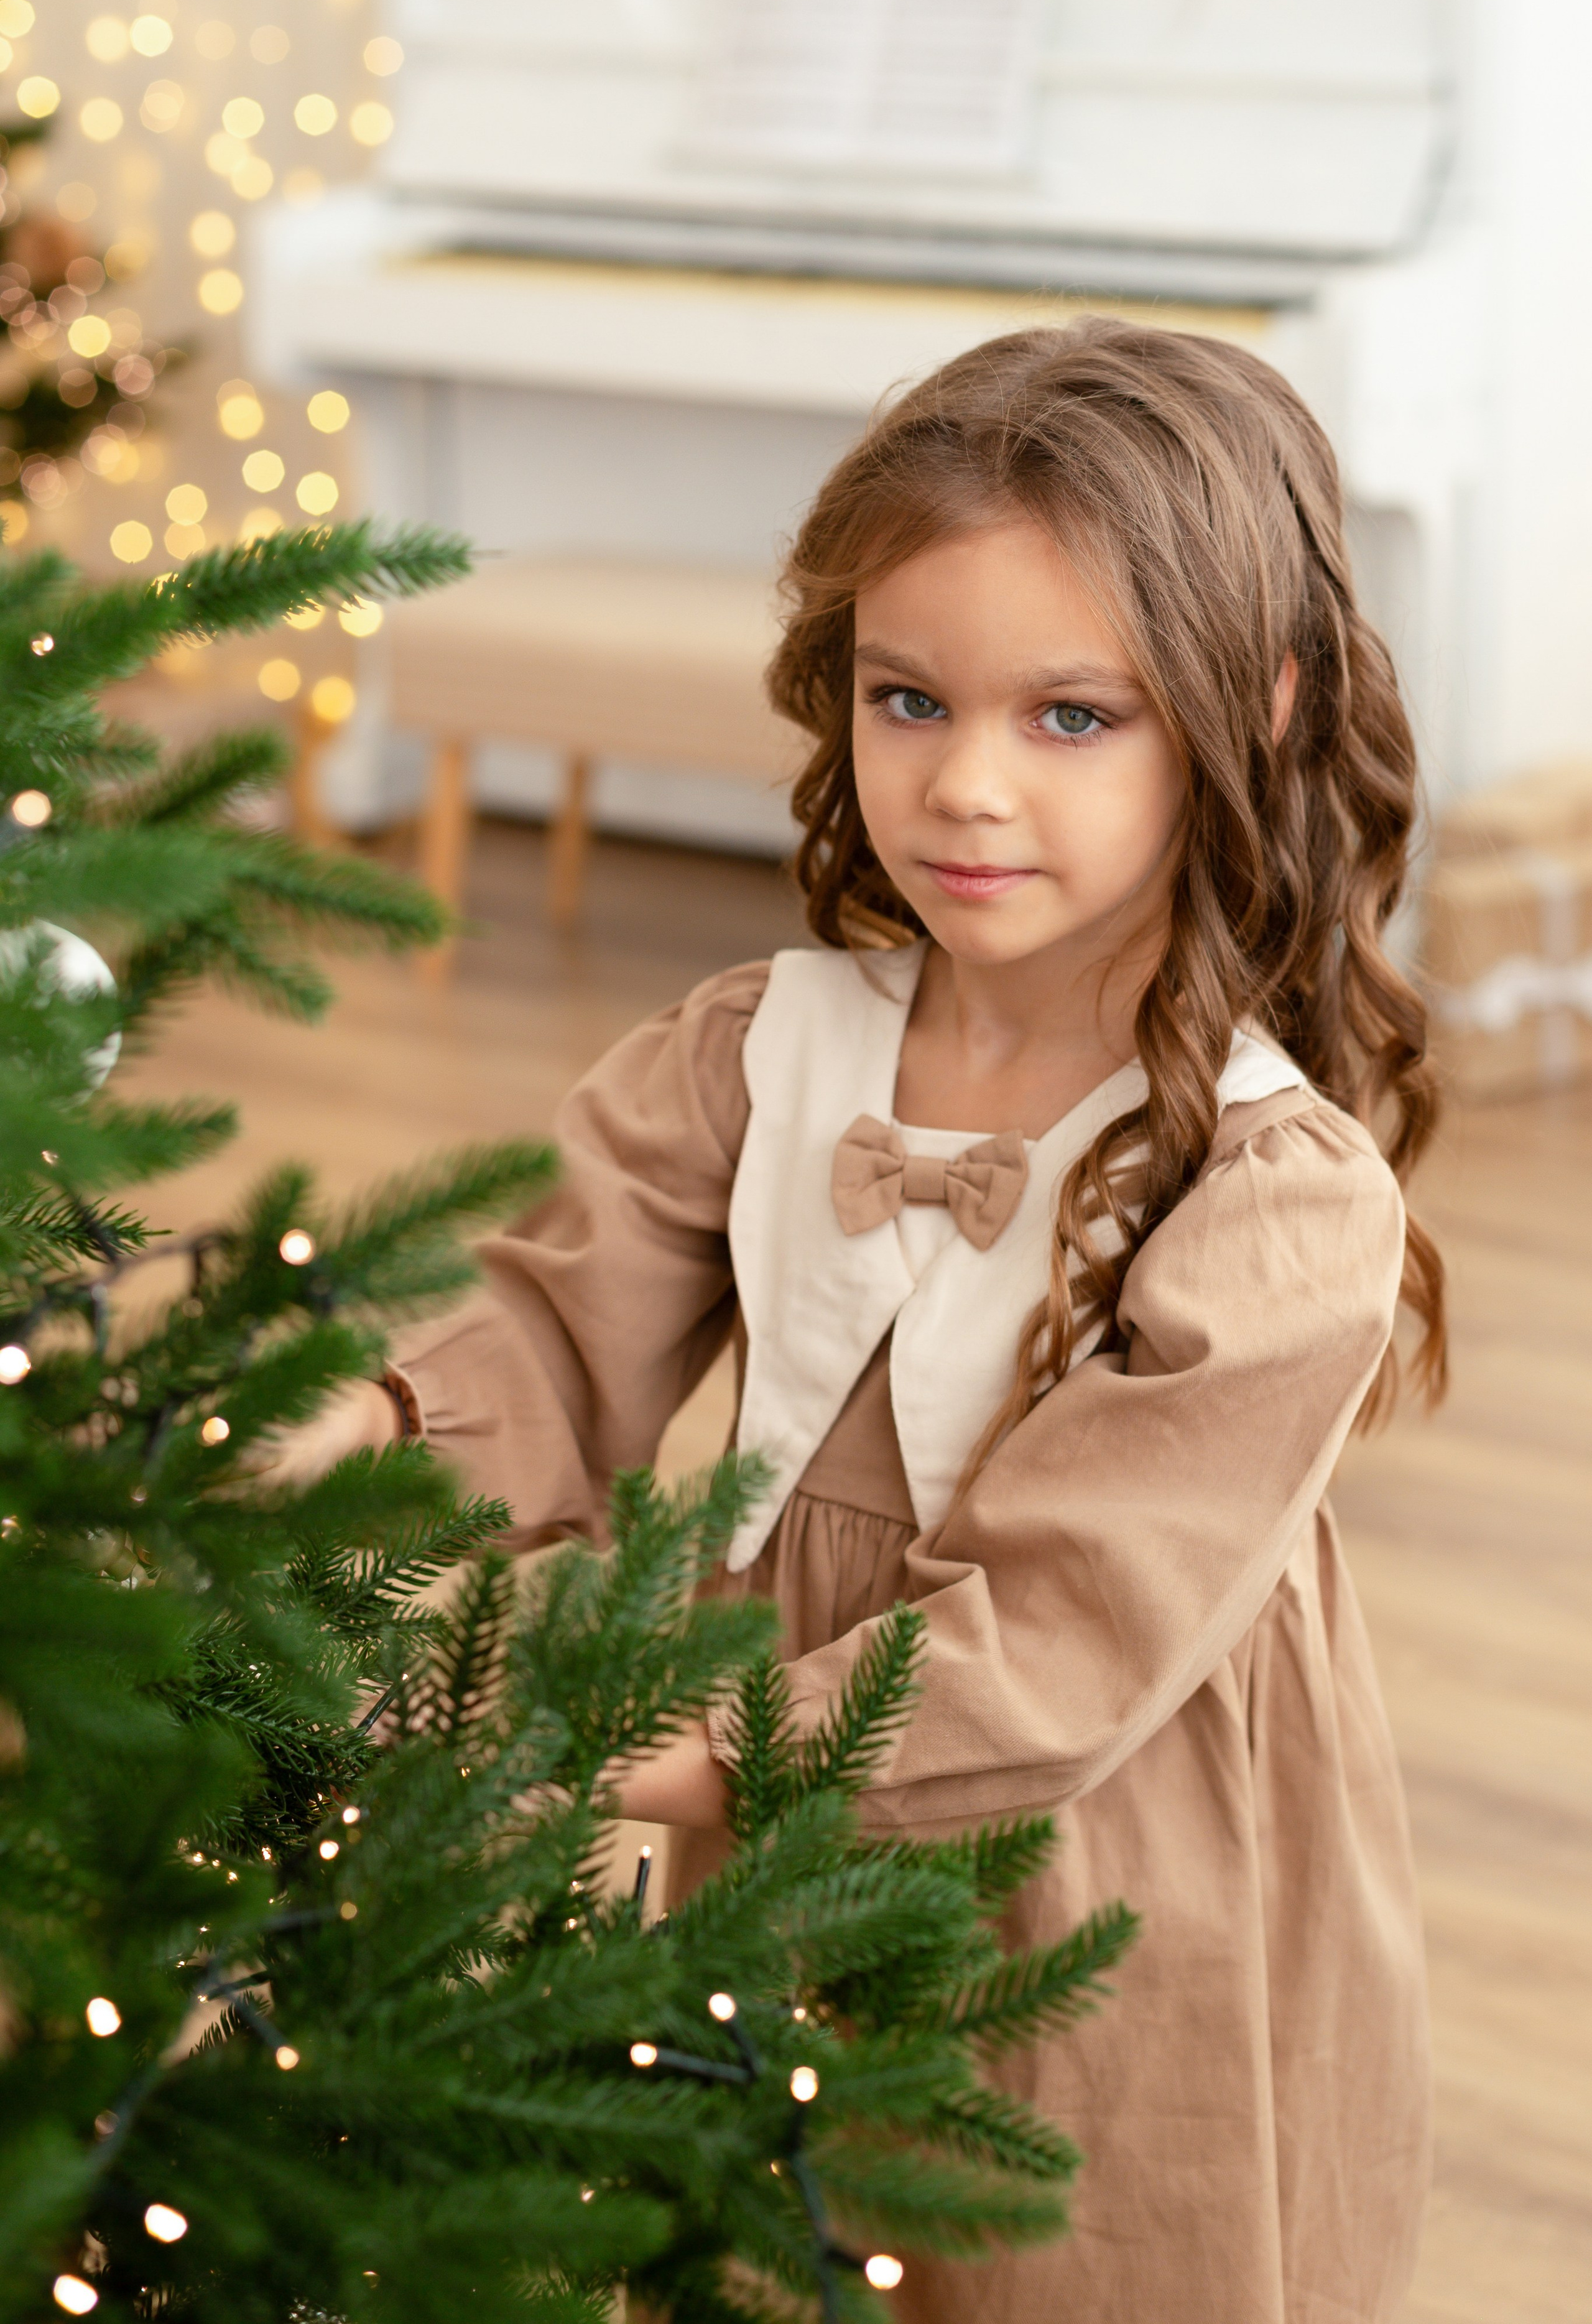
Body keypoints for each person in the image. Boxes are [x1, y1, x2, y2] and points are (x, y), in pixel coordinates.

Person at [294, 320, 1443, 2323]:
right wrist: (341, 1430)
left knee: (1044, 2249)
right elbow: (545, 1344)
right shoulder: (761, 1048)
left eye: (1071, 716)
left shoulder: (1276, 1194)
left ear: (1249, 711)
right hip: (757, 1796)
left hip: (1098, 1859)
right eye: (909, 697)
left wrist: (636, 1737)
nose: (966, 784)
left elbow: (1058, 1642)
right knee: (771, 2221)